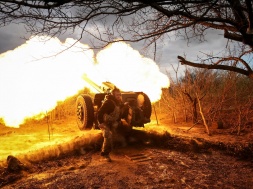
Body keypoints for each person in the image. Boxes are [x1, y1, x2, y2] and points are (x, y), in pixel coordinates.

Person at [97, 86, 129, 162]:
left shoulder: (118, 102)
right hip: (105, 122)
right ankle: (104, 154)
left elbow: (119, 107)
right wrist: (100, 123)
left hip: (112, 122)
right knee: (108, 134)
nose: (119, 96)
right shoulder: (108, 102)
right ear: (113, 95)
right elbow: (100, 113)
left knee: (114, 136)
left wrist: (124, 105)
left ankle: (111, 149)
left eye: (120, 95)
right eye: (117, 95)